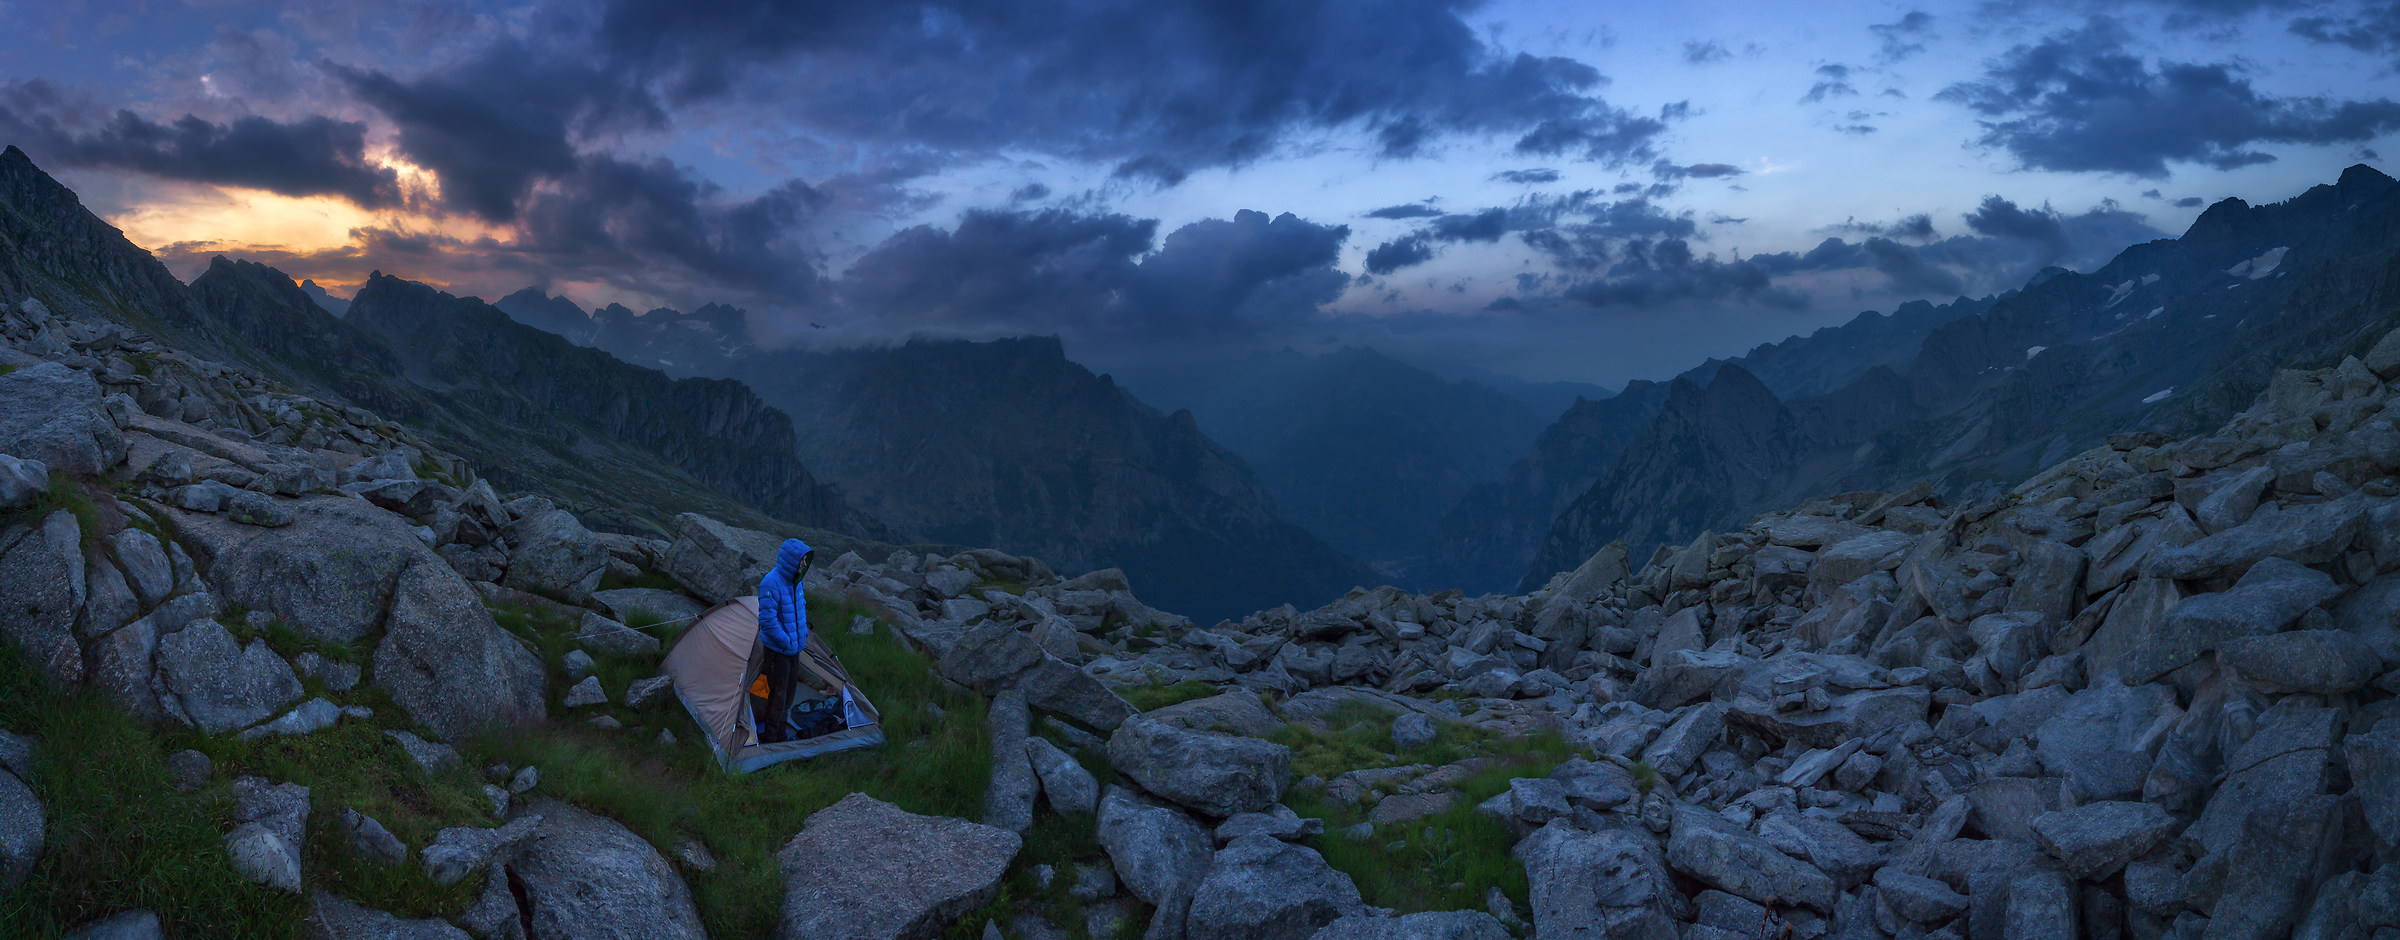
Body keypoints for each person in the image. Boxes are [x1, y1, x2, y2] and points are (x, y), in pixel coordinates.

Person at [756, 538, 811, 743]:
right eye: (802, 560)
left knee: (788, 696)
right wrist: (787, 641)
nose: (804, 564)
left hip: (794, 649)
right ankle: (772, 737)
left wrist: (801, 637)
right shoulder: (770, 582)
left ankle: (780, 732)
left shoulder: (797, 582)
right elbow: (767, 621)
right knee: (778, 696)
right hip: (778, 651)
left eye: (806, 560)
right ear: (791, 560)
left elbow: (799, 612)